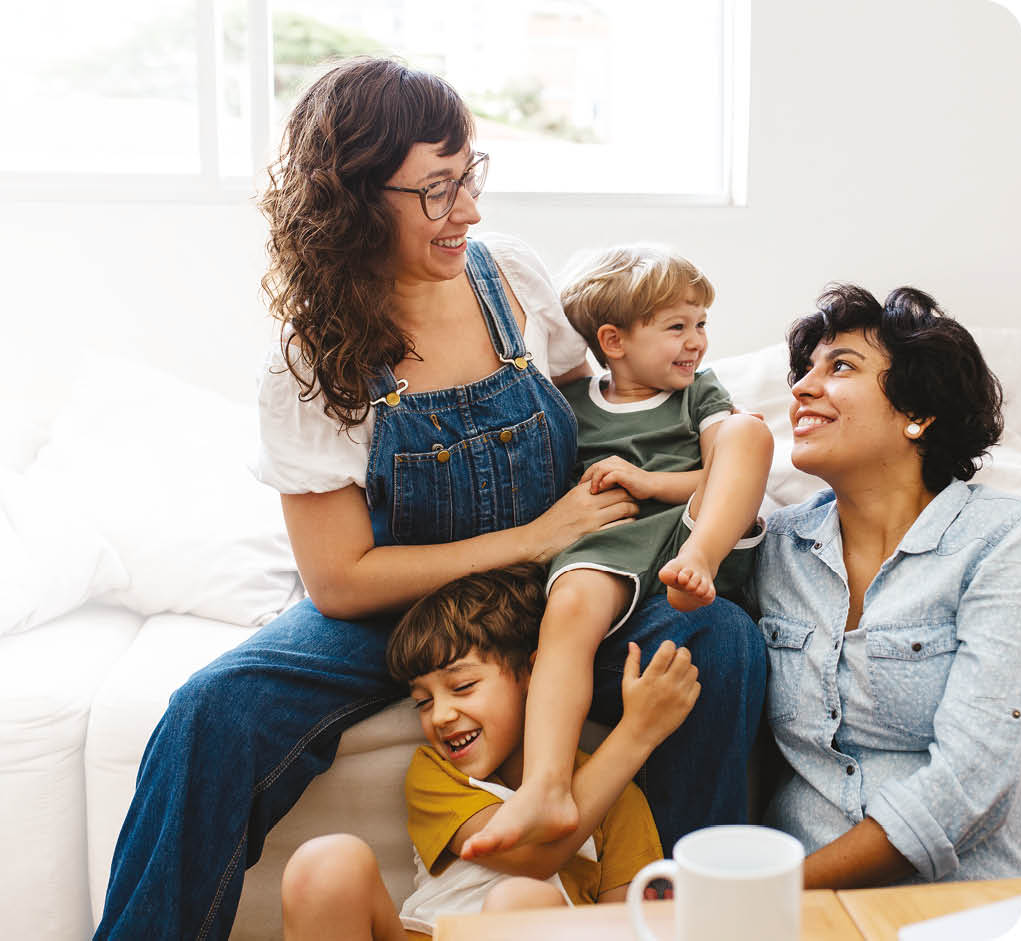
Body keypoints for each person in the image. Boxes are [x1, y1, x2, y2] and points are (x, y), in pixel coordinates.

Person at [91, 58, 766, 940]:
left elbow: (594, 414)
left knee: (717, 642)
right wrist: (526, 537)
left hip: (563, 581)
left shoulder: (512, 281)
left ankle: (698, 920)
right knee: (213, 711)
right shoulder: (311, 365)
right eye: (438, 191)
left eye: (469, 178)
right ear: (356, 198)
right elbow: (338, 580)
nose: (470, 212)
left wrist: (657, 493)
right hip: (404, 602)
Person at [465, 245, 773, 857]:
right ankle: (546, 785)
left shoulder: (699, 395)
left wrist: (653, 483)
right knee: (571, 607)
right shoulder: (573, 407)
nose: (697, 343)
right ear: (613, 340)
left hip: (691, 532)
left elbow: (723, 469)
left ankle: (703, 563)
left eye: (702, 324)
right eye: (677, 327)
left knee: (748, 429)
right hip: (612, 539)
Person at [753, 284, 1021, 887]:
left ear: (918, 413)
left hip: (960, 899)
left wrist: (769, 893)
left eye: (840, 366)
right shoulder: (776, 549)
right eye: (804, 369)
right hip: (800, 906)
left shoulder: (1004, 541)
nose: (801, 388)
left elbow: (973, 777)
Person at [280, 565, 697, 940]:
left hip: (533, 924)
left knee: (518, 904)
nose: (440, 715)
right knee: (325, 865)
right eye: (423, 702)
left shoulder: (618, 799)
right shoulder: (438, 773)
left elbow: (624, 925)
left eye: (462, 687)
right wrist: (636, 733)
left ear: (533, 674)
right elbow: (527, 854)